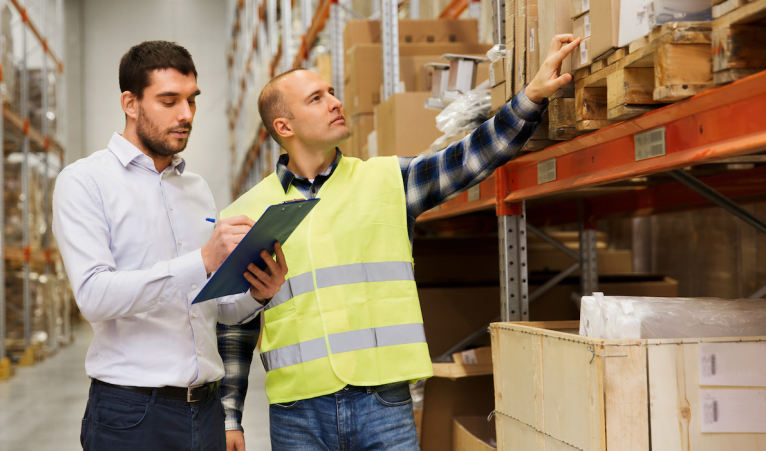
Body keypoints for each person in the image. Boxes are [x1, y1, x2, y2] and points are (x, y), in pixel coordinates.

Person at [217, 35, 582, 450]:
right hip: (297, 412)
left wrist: (530, 97)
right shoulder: (247, 212)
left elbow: (470, 156)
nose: (336, 102)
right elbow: (234, 326)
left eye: (333, 92)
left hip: (383, 405)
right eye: (317, 98)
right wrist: (230, 416)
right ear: (284, 126)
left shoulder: (390, 180)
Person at [52, 40, 288, 451]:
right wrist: (202, 260)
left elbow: (214, 306)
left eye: (192, 101)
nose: (186, 115)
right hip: (132, 414)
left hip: (206, 410)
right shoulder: (85, 182)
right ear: (130, 102)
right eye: (169, 100)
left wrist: (256, 293)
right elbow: (93, 296)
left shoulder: (194, 189)